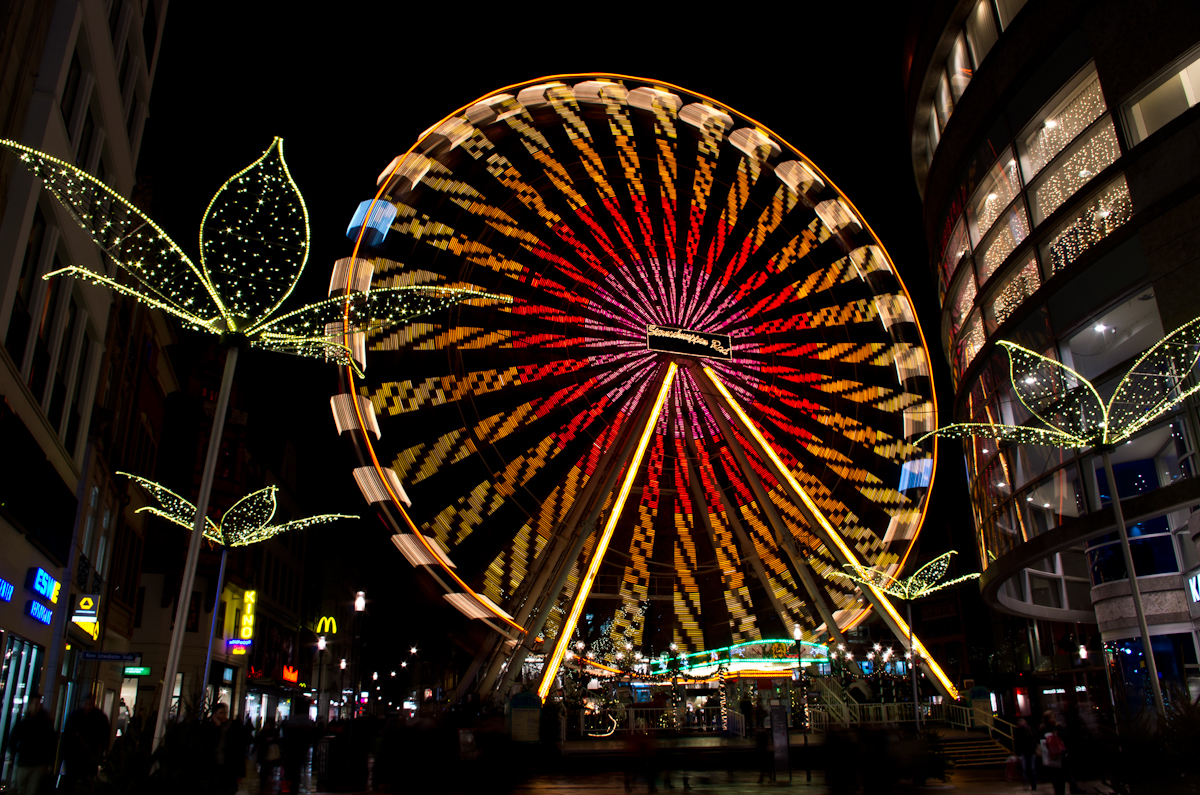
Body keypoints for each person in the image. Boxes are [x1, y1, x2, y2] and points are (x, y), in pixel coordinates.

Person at [61, 695, 112, 793]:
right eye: (86, 704)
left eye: (90, 704)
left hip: (88, 756)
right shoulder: (96, 717)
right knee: (75, 782)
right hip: (76, 755)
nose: (88, 707)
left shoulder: (96, 717)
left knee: (84, 782)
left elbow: (104, 737)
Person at [8, 693, 55, 795]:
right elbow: (51, 743)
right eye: (36, 703)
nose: (38, 706)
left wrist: (16, 752)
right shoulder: (45, 723)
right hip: (34, 762)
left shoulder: (24, 722)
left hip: (30, 762)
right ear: (30, 705)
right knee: (28, 789)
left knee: (25, 789)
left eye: (39, 704)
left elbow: (12, 741)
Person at [202, 702, 247, 795]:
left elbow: (240, 749)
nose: (223, 715)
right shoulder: (210, 727)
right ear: (215, 714)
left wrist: (241, 772)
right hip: (214, 766)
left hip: (230, 766)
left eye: (225, 713)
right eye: (220, 713)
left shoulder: (234, 726)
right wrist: (217, 726)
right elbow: (209, 744)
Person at [1037, 711, 1066, 795]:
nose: (1053, 720)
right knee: (1055, 779)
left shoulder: (1058, 727)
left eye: (1054, 717)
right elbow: (1040, 740)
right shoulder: (1044, 729)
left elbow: (1065, 736)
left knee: (1061, 778)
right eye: (1051, 718)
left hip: (1060, 756)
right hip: (1050, 756)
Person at [256, 715, 282, 794]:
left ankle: (265, 784)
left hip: (270, 755)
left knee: (267, 770)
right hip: (264, 755)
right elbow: (258, 741)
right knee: (264, 771)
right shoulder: (263, 732)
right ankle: (263, 784)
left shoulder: (273, 732)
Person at [1014, 718, 1037, 791]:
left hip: (1029, 751)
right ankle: (1029, 785)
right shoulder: (1019, 731)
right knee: (1027, 769)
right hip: (1025, 752)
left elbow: (1035, 738)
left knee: (1030, 769)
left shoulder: (1029, 729)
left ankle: (1032, 785)